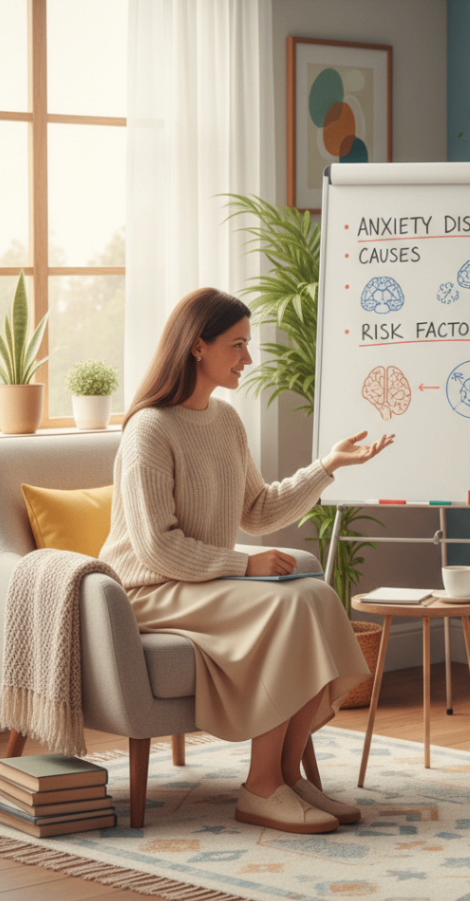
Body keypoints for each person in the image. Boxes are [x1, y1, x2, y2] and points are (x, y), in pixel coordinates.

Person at [100, 287, 394, 835]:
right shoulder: (149, 429)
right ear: (198, 346)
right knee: (286, 608)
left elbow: (257, 510)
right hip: (149, 590)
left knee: (315, 594)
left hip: (201, 583)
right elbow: (157, 547)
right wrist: (244, 566)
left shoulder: (226, 421)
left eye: (247, 344)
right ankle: (260, 787)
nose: (248, 357)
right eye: (237, 345)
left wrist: (327, 466)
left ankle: (287, 776)